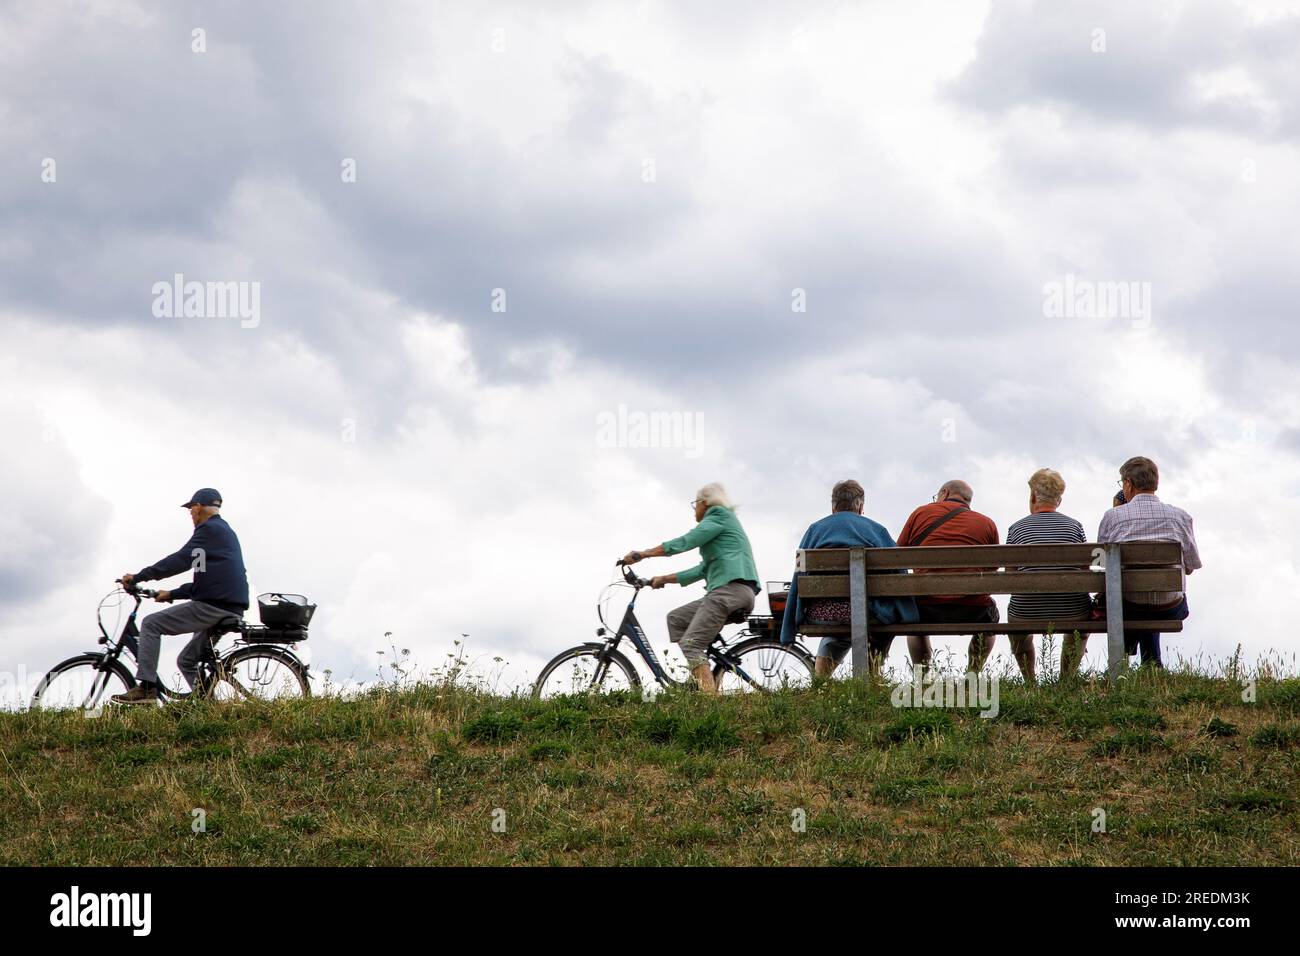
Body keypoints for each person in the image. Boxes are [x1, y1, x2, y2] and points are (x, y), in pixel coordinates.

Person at [112, 488, 249, 704]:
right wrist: (172, 594)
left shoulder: (208, 530)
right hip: (227, 604)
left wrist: (139, 577)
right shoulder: (221, 532)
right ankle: (208, 707)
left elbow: (179, 560)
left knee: (150, 624)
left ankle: (146, 688)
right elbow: (202, 581)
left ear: (199, 507)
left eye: (191, 510)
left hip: (214, 606)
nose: (191, 515)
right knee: (186, 660)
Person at [622, 483, 759, 695]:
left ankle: (709, 701)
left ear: (704, 502)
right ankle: (701, 673)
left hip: (729, 592)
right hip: (731, 592)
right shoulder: (723, 527)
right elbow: (702, 569)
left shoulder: (718, 516)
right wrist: (662, 579)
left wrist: (644, 553)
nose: (694, 510)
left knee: (691, 644)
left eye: (695, 504)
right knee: (676, 619)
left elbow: (686, 541)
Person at [779, 480, 918, 679]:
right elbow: (899, 572)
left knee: (837, 630)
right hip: (869, 612)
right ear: (861, 507)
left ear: (833, 507)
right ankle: (872, 676)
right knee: (880, 621)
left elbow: (798, 574)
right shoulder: (876, 530)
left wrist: (790, 625)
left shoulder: (814, 531)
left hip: (823, 613)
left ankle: (819, 681)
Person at [1096, 457, 1201, 668]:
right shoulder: (1180, 517)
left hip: (1127, 606)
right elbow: (1191, 566)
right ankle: (1152, 663)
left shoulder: (1112, 517)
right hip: (1169, 607)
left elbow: (1103, 564)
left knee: (1130, 597)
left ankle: (1126, 658)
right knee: (1152, 593)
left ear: (1128, 484)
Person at [896, 479, 1000, 674]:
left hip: (926, 606)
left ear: (944, 493)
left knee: (914, 625)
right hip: (973, 608)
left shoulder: (921, 513)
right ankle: (973, 673)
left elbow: (896, 556)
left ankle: (924, 677)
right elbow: (992, 568)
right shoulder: (987, 523)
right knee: (990, 620)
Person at [1005, 468, 1093, 683]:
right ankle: (1065, 680)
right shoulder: (1075, 527)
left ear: (1033, 496)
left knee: (1016, 618)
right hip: (1072, 610)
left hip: (1027, 610)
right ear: (1059, 501)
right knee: (1080, 625)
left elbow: (1009, 576)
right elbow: (1085, 571)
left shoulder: (1016, 529)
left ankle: (1030, 681)